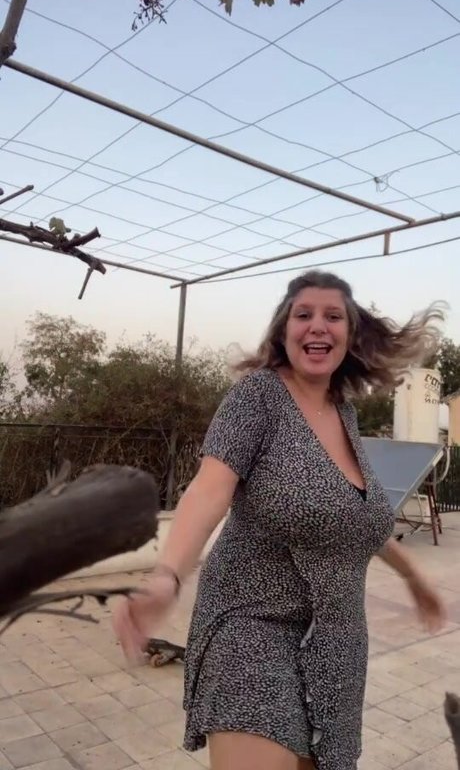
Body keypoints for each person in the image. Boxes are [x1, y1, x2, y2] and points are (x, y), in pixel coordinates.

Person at [113, 270, 447, 770]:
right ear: (284, 330)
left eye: (333, 316)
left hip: (336, 645)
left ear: (350, 335)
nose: (318, 326)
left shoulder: (344, 415)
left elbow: (357, 519)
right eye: (303, 314)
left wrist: (413, 577)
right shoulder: (258, 397)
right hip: (251, 625)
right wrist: (167, 576)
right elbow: (209, 488)